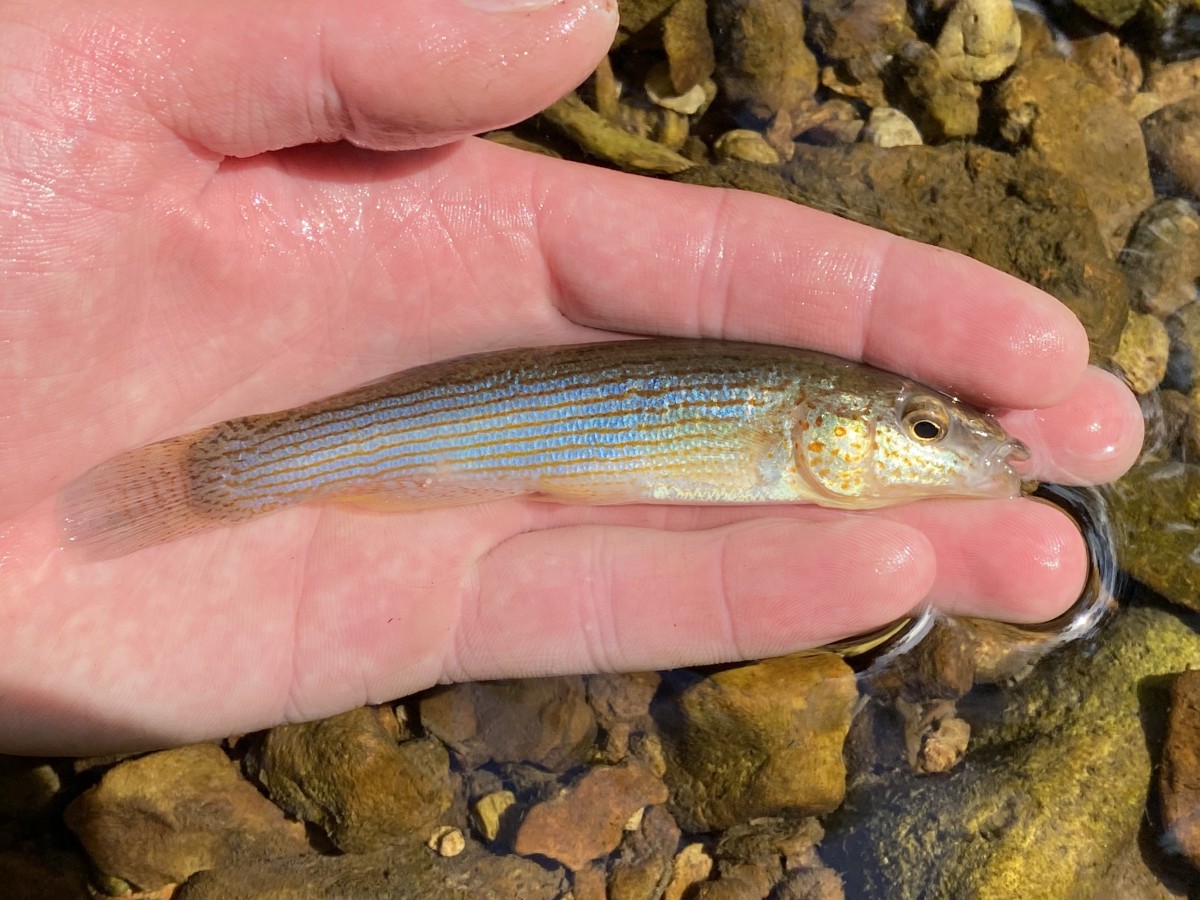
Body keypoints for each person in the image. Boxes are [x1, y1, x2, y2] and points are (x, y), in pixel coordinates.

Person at [0, 0, 1142, 755]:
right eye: (929, 430)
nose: (960, 446)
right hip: (467, 423)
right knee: (260, 466)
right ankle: (224, 474)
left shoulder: (827, 438)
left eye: (933, 428)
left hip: (497, 429)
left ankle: (232, 473)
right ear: (826, 426)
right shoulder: (792, 418)